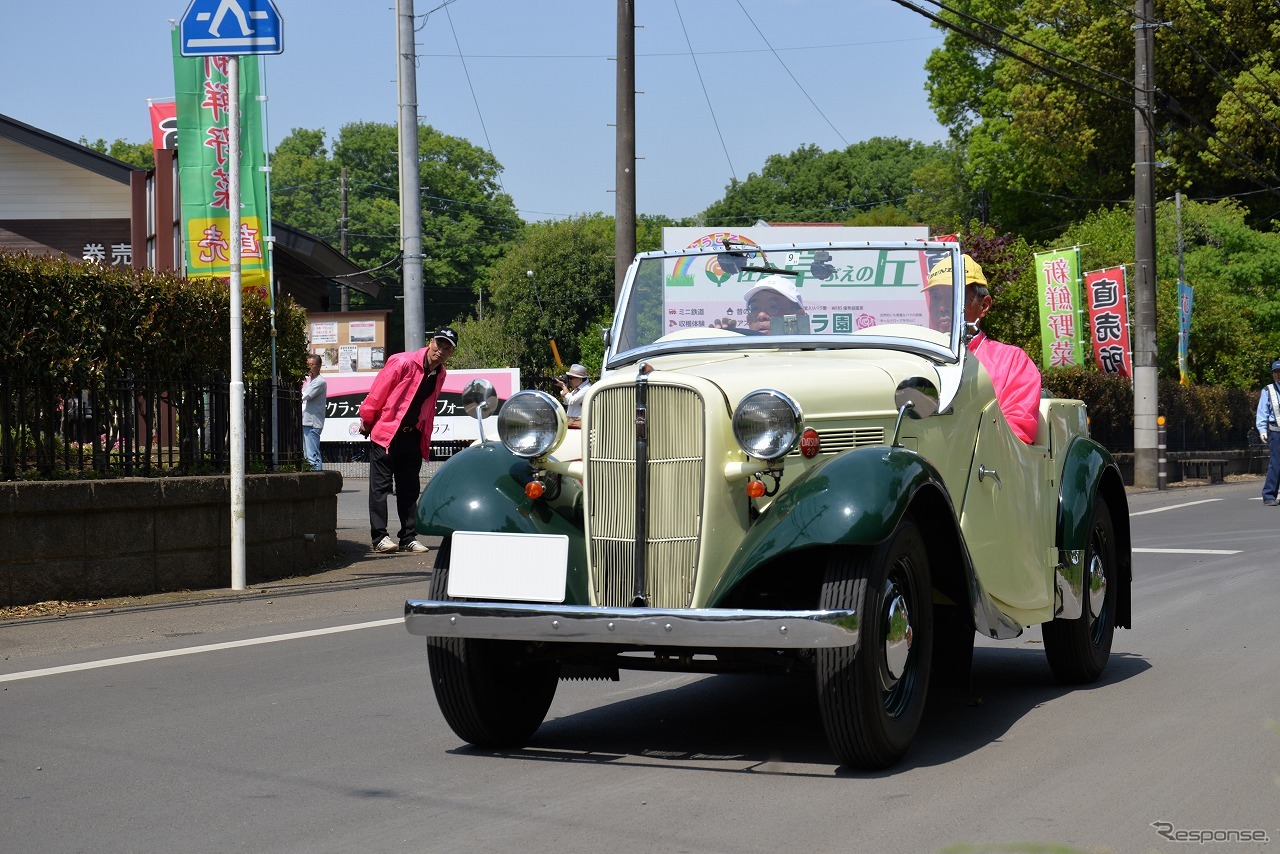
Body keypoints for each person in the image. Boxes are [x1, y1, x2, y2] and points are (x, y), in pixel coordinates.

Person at [358, 328, 457, 553]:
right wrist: (367, 417)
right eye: (438, 344)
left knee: (409, 489)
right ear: (430, 342)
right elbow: (378, 392)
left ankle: (408, 537)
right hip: (388, 433)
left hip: (413, 435)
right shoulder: (402, 362)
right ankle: (380, 537)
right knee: (380, 488)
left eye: (447, 348)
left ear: (451, 352)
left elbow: (428, 407)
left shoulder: (440, 374)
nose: (440, 351)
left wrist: (424, 434)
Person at [925, 254, 1042, 444]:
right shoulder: (917, 359)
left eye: (954, 297)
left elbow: (1018, 434)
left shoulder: (1012, 361)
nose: (941, 308)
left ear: (984, 305)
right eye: (936, 298)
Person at [742, 275, 807, 334]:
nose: (761, 315)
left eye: (773, 307)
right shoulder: (734, 345)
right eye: (755, 308)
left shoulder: (813, 346)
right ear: (748, 319)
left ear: (799, 316)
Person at [1254, 359, 1280, 505]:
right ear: (1272, 374)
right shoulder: (1268, 390)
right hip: (1276, 433)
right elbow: (1262, 412)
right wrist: (1262, 430)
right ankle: (1269, 495)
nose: (1278, 375)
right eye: (1276, 372)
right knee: (1276, 464)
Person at [301, 353, 327, 470]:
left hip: (313, 423)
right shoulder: (311, 381)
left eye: (312, 365)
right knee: (308, 455)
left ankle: (318, 481)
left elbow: (304, 396)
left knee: (312, 456)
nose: (309, 368)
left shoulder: (319, 381)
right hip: (307, 422)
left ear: (319, 366)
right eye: (308, 365)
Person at [556, 363, 591, 427]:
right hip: (571, 420)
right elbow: (567, 402)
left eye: (571, 378)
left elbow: (572, 401)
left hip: (578, 421)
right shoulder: (577, 389)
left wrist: (564, 388)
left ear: (580, 379)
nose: (569, 380)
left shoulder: (586, 389)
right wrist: (564, 391)